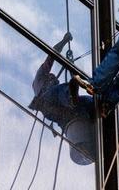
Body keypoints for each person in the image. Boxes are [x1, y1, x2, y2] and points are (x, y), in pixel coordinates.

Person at [29, 32, 96, 164]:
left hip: (62, 114)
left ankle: (94, 108)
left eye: (54, 79)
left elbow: (73, 83)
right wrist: (64, 41)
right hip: (48, 102)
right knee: (61, 91)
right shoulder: (39, 80)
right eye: (53, 78)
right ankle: (72, 101)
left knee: (89, 102)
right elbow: (52, 55)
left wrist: (72, 68)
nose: (55, 79)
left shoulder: (57, 89)